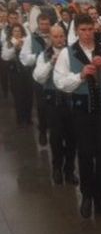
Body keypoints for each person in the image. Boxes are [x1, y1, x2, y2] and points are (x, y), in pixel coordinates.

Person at [53, 14, 101, 218]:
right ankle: (86, 196)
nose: (86, 33)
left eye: (89, 29)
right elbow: (59, 81)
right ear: (76, 31)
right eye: (82, 30)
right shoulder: (68, 53)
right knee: (85, 153)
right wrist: (81, 75)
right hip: (81, 111)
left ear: (95, 28)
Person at [32, 25, 78, 185]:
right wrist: (51, 63)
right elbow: (39, 77)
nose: (59, 39)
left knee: (72, 137)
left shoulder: (73, 52)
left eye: (61, 36)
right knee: (56, 137)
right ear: (50, 38)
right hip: (53, 101)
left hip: (71, 101)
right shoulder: (44, 55)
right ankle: (57, 168)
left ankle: (70, 170)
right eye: (56, 37)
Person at [19, 14, 52, 145]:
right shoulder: (31, 38)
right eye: (42, 24)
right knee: (42, 106)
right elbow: (24, 58)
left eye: (46, 24)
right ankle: (43, 131)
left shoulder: (55, 35)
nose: (44, 27)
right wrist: (38, 55)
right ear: (38, 24)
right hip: (39, 76)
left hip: (55, 75)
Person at [1, 23, 33, 126]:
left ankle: (28, 118)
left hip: (27, 73)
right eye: (15, 31)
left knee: (29, 96)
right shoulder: (9, 43)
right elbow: (5, 56)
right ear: (12, 32)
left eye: (19, 31)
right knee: (18, 97)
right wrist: (15, 47)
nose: (17, 33)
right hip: (15, 73)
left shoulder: (27, 42)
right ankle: (20, 119)